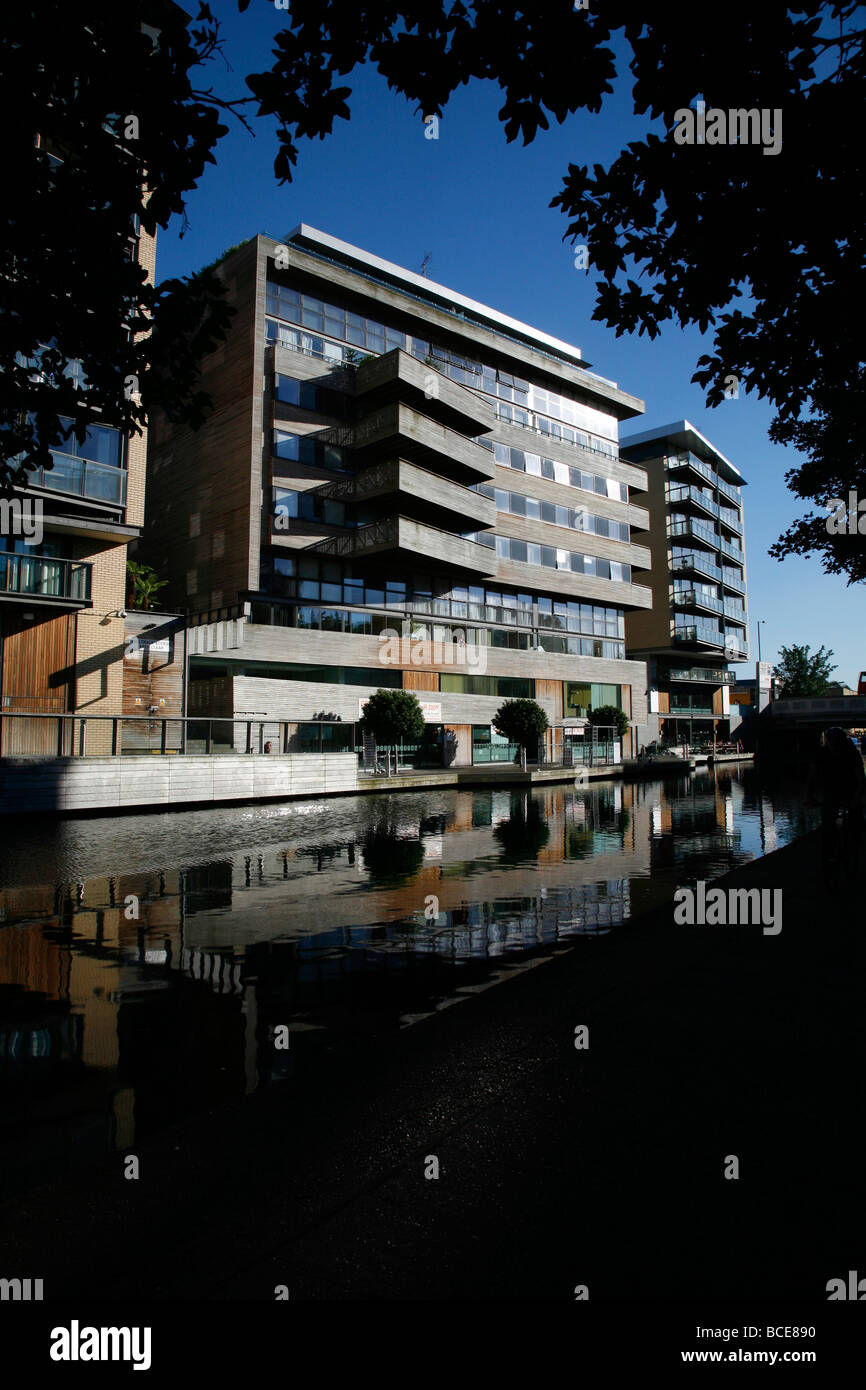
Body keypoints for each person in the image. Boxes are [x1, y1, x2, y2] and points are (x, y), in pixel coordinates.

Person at [810, 726, 866, 872]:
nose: (833, 746)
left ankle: (855, 842)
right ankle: (829, 854)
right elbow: (813, 776)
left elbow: (860, 778)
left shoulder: (851, 753)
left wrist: (857, 797)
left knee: (856, 819)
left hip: (850, 788)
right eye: (831, 742)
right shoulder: (822, 754)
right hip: (831, 790)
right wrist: (809, 794)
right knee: (828, 825)